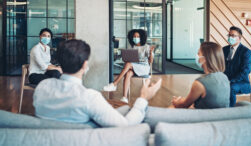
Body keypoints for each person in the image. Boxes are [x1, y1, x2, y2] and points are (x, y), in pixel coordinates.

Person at [33, 39, 161, 127]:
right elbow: (125, 125)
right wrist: (143, 97)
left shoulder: (41, 89)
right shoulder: (90, 98)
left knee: (124, 108)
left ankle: (116, 85)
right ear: (85, 65)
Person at [170, 42, 230, 109]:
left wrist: (176, 102)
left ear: (204, 59)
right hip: (222, 115)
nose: (197, 56)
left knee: (172, 107)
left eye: (198, 53)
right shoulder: (224, 77)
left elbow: (183, 105)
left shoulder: (200, 83)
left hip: (204, 117)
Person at [103, 29, 154, 103]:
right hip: (134, 66)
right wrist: (126, 58)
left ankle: (115, 83)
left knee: (128, 64)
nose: (136, 38)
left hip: (144, 67)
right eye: (134, 36)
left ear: (141, 37)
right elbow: (128, 59)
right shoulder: (132, 47)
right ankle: (124, 97)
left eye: (137, 36)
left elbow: (150, 61)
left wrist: (151, 52)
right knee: (128, 73)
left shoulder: (146, 47)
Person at [223, 26, 251, 107]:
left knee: (230, 88)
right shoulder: (224, 49)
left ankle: (230, 111)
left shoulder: (246, 52)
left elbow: (245, 71)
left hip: (241, 82)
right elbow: (220, 66)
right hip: (226, 80)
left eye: (233, 35)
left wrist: (231, 81)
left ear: (239, 38)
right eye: (229, 35)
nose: (230, 37)